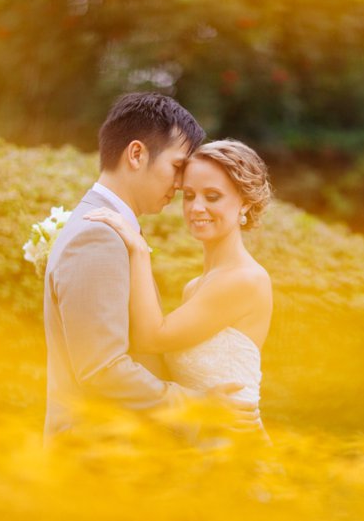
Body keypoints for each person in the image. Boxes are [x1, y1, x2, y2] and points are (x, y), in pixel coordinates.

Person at [43, 93, 258, 446]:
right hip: (97, 458)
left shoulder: (107, 230)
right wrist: (195, 407)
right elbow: (102, 368)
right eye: (177, 168)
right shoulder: (97, 235)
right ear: (137, 154)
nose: (179, 185)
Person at [84, 139, 273, 439]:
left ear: (245, 202)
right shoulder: (194, 287)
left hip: (235, 447)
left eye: (213, 196)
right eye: (189, 195)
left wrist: (138, 250)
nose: (197, 208)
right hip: (197, 441)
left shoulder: (245, 280)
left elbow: (150, 337)